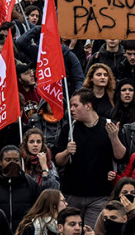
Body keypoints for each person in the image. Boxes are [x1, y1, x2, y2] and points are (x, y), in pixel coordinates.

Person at [54, 89, 128, 227]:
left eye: (75, 105)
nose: (71, 109)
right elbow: (58, 160)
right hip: (73, 193)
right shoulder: (69, 128)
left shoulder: (110, 125)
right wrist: (66, 152)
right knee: (71, 233)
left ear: (88, 106)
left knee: (92, 234)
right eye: (71, 106)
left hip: (100, 195)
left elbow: (121, 157)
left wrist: (114, 137)